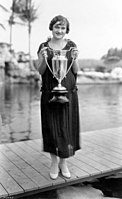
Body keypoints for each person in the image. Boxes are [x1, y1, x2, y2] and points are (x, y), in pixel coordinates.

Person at [37, 15, 80, 180]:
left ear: (66, 30)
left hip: (68, 91)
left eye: (63, 28)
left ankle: (64, 162)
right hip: (49, 92)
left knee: (66, 128)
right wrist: (43, 57)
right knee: (51, 128)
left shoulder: (71, 46)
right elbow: (41, 71)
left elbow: (75, 70)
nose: (59, 31)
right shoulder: (43, 46)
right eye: (57, 27)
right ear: (51, 28)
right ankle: (54, 162)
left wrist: (75, 57)